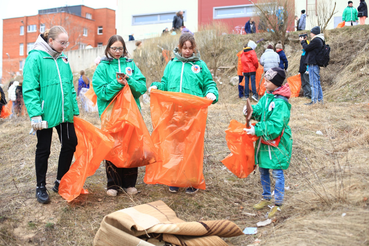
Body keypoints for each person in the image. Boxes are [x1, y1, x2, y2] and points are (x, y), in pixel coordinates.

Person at [148, 33, 218, 194]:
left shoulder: (200, 65)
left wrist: (211, 93)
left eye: (190, 48)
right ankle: (176, 179)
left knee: (191, 147)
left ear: (194, 48)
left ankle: (191, 179)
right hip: (173, 113)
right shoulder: (172, 64)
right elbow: (165, 82)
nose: (187, 51)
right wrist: (157, 86)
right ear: (180, 47)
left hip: (193, 115)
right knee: (174, 146)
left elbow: (209, 83)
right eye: (184, 48)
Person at [23, 26, 79, 204]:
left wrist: (74, 110)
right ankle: (40, 186)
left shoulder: (63, 59)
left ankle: (60, 181)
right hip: (44, 113)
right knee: (44, 149)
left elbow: (70, 86)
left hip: (64, 112)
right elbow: (30, 88)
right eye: (62, 42)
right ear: (50, 41)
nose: (65, 46)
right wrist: (35, 114)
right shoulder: (35, 57)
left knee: (70, 143)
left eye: (66, 42)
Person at [92, 35, 147, 197]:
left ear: (125, 49)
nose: (117, 52)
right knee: (112, 147)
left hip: (131, 114)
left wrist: (129, 80)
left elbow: (141, 87)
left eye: (120, 48)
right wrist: (117, 83)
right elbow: (101, 92)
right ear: (108, 48)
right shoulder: (102, 67)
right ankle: (113, 184)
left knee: (131, 146)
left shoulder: (131, 65)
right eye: (114, 48)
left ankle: (129, 183)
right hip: (111, 115)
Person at [243, 67, 292, 218]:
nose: (264, 83)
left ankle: (278, 203)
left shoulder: (281, 103)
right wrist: (249, 111)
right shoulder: (267, 96)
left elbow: (276, 125)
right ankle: (266, 197)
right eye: (264, 79)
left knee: (277, 172)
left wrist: (257, 129)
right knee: (263, 169)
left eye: (268, 81)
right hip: (264, 142)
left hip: (277, 144)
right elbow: (258, 110)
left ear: (276, 83)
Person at [300, 26, 324, 105]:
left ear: (314, 33)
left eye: (311, 33)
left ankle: (314, 101)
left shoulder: (316, 40)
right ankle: (319, 100)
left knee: (313, 83)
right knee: (317, 82)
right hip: (315, 64)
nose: (310, 34)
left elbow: (307, 48)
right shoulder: (319, 40)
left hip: (313, 64)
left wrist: (303, 42)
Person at [298, 34, 311, 99]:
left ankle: (309, 95)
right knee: (303, 83)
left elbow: (308, 61)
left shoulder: (307, 52)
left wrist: (308, 69)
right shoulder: (303, 53)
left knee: (307, 82)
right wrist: (300, 70)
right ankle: (306, 95)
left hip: (306, 69)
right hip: (302, 69)